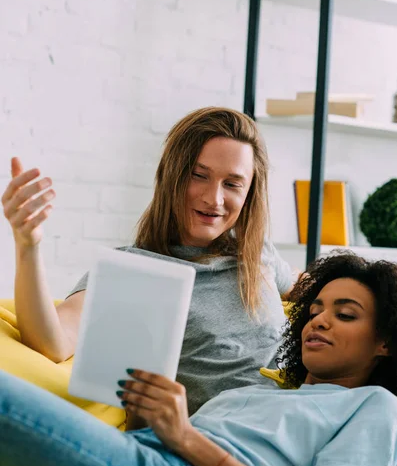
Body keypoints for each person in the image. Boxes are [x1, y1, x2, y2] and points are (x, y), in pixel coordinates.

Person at [0, 251, 397, 466]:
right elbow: (163, 447)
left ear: (384, 341)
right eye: (314, 310)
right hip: (150, 465)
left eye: (345, 315)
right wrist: (144, 412)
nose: (319, 321)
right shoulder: (255, 394)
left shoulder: (374, 405)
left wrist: (185, 436)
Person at [1, 107, 295, 418]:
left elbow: (307, 288)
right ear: (172, 176)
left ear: (250, 192)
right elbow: (54, 342)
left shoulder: (257, 253)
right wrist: (28, 246)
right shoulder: (135, 270)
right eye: (199, 175)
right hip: (218, 441)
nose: (214, 199)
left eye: (232, 183)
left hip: (293, 423)